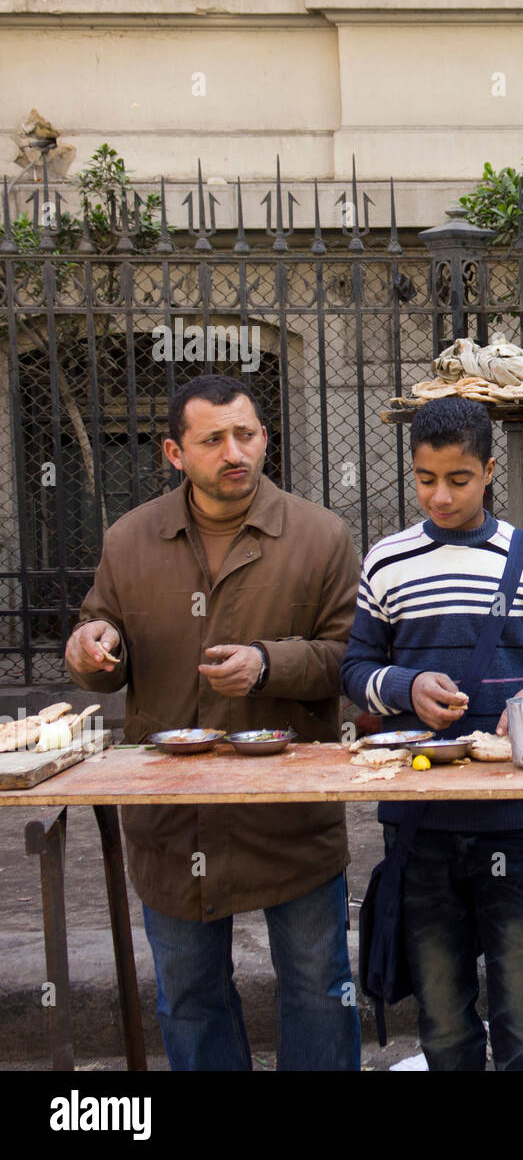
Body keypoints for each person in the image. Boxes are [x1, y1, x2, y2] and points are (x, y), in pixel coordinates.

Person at [64, 374, 362, 1072]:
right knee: (190, 995)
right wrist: (92, 651)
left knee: (320, 988)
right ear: (174, 451)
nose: (236, 451)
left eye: (248, 434)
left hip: (288, 813)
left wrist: (269, 664)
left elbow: (353, 657)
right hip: (174, 816)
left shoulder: (319, 536)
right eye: (214, 439)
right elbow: (96, 636)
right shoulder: (132, 539)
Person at [341, 397, 523, 1071]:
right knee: (445, 1022)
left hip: (510, 819)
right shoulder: (386, 561)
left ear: (488, 471)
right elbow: (355, 667)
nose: (441, 495)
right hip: (417, 822)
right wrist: (405, 687)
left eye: (458, 479)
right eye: (425, 479)